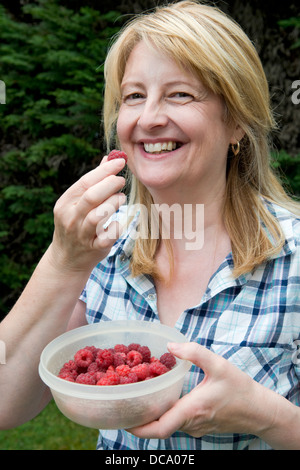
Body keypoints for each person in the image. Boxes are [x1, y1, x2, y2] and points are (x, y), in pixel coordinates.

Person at [0, 0, 299, 450]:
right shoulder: (102, 244)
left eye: (180, 94)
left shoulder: (292, 257)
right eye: (134, 96)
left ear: (236, 120)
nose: (149, 117)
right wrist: (63, 261)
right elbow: (6, 403)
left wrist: (265, 414)